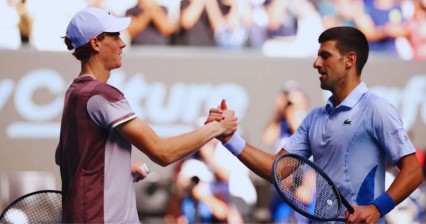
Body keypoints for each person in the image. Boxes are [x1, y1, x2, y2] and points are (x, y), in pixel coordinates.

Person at [207, 26, 424, 223]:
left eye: (325, 56)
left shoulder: (377, 109)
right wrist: (229, 138)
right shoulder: (314, 118)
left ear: (349, 60)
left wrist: (376, 209)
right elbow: (278, 170)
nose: (316, 63)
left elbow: (413, 171)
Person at [55, 7, 237, 223]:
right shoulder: (100, 94)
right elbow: (162, 153)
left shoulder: (74, 92)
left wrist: (119, 167)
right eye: (115, 36)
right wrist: (217, 129)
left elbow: (65, 156)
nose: (122, 43)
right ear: (96, 43)